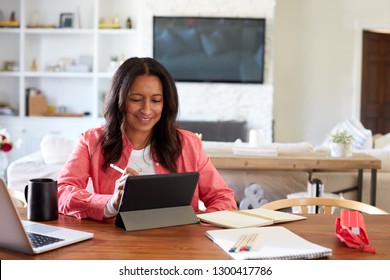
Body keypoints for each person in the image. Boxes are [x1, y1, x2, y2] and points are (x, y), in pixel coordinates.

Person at [57, 57, 237, 221]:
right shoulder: (91, 141)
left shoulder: (188, 144)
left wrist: (198, 225)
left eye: (156, 100)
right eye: (136, 99)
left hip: (178, 246)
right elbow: (61, 192)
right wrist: (110, 204)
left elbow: (224, 199)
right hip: (114, 247)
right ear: (118, 100)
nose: (147, 110)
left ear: (166, 103)